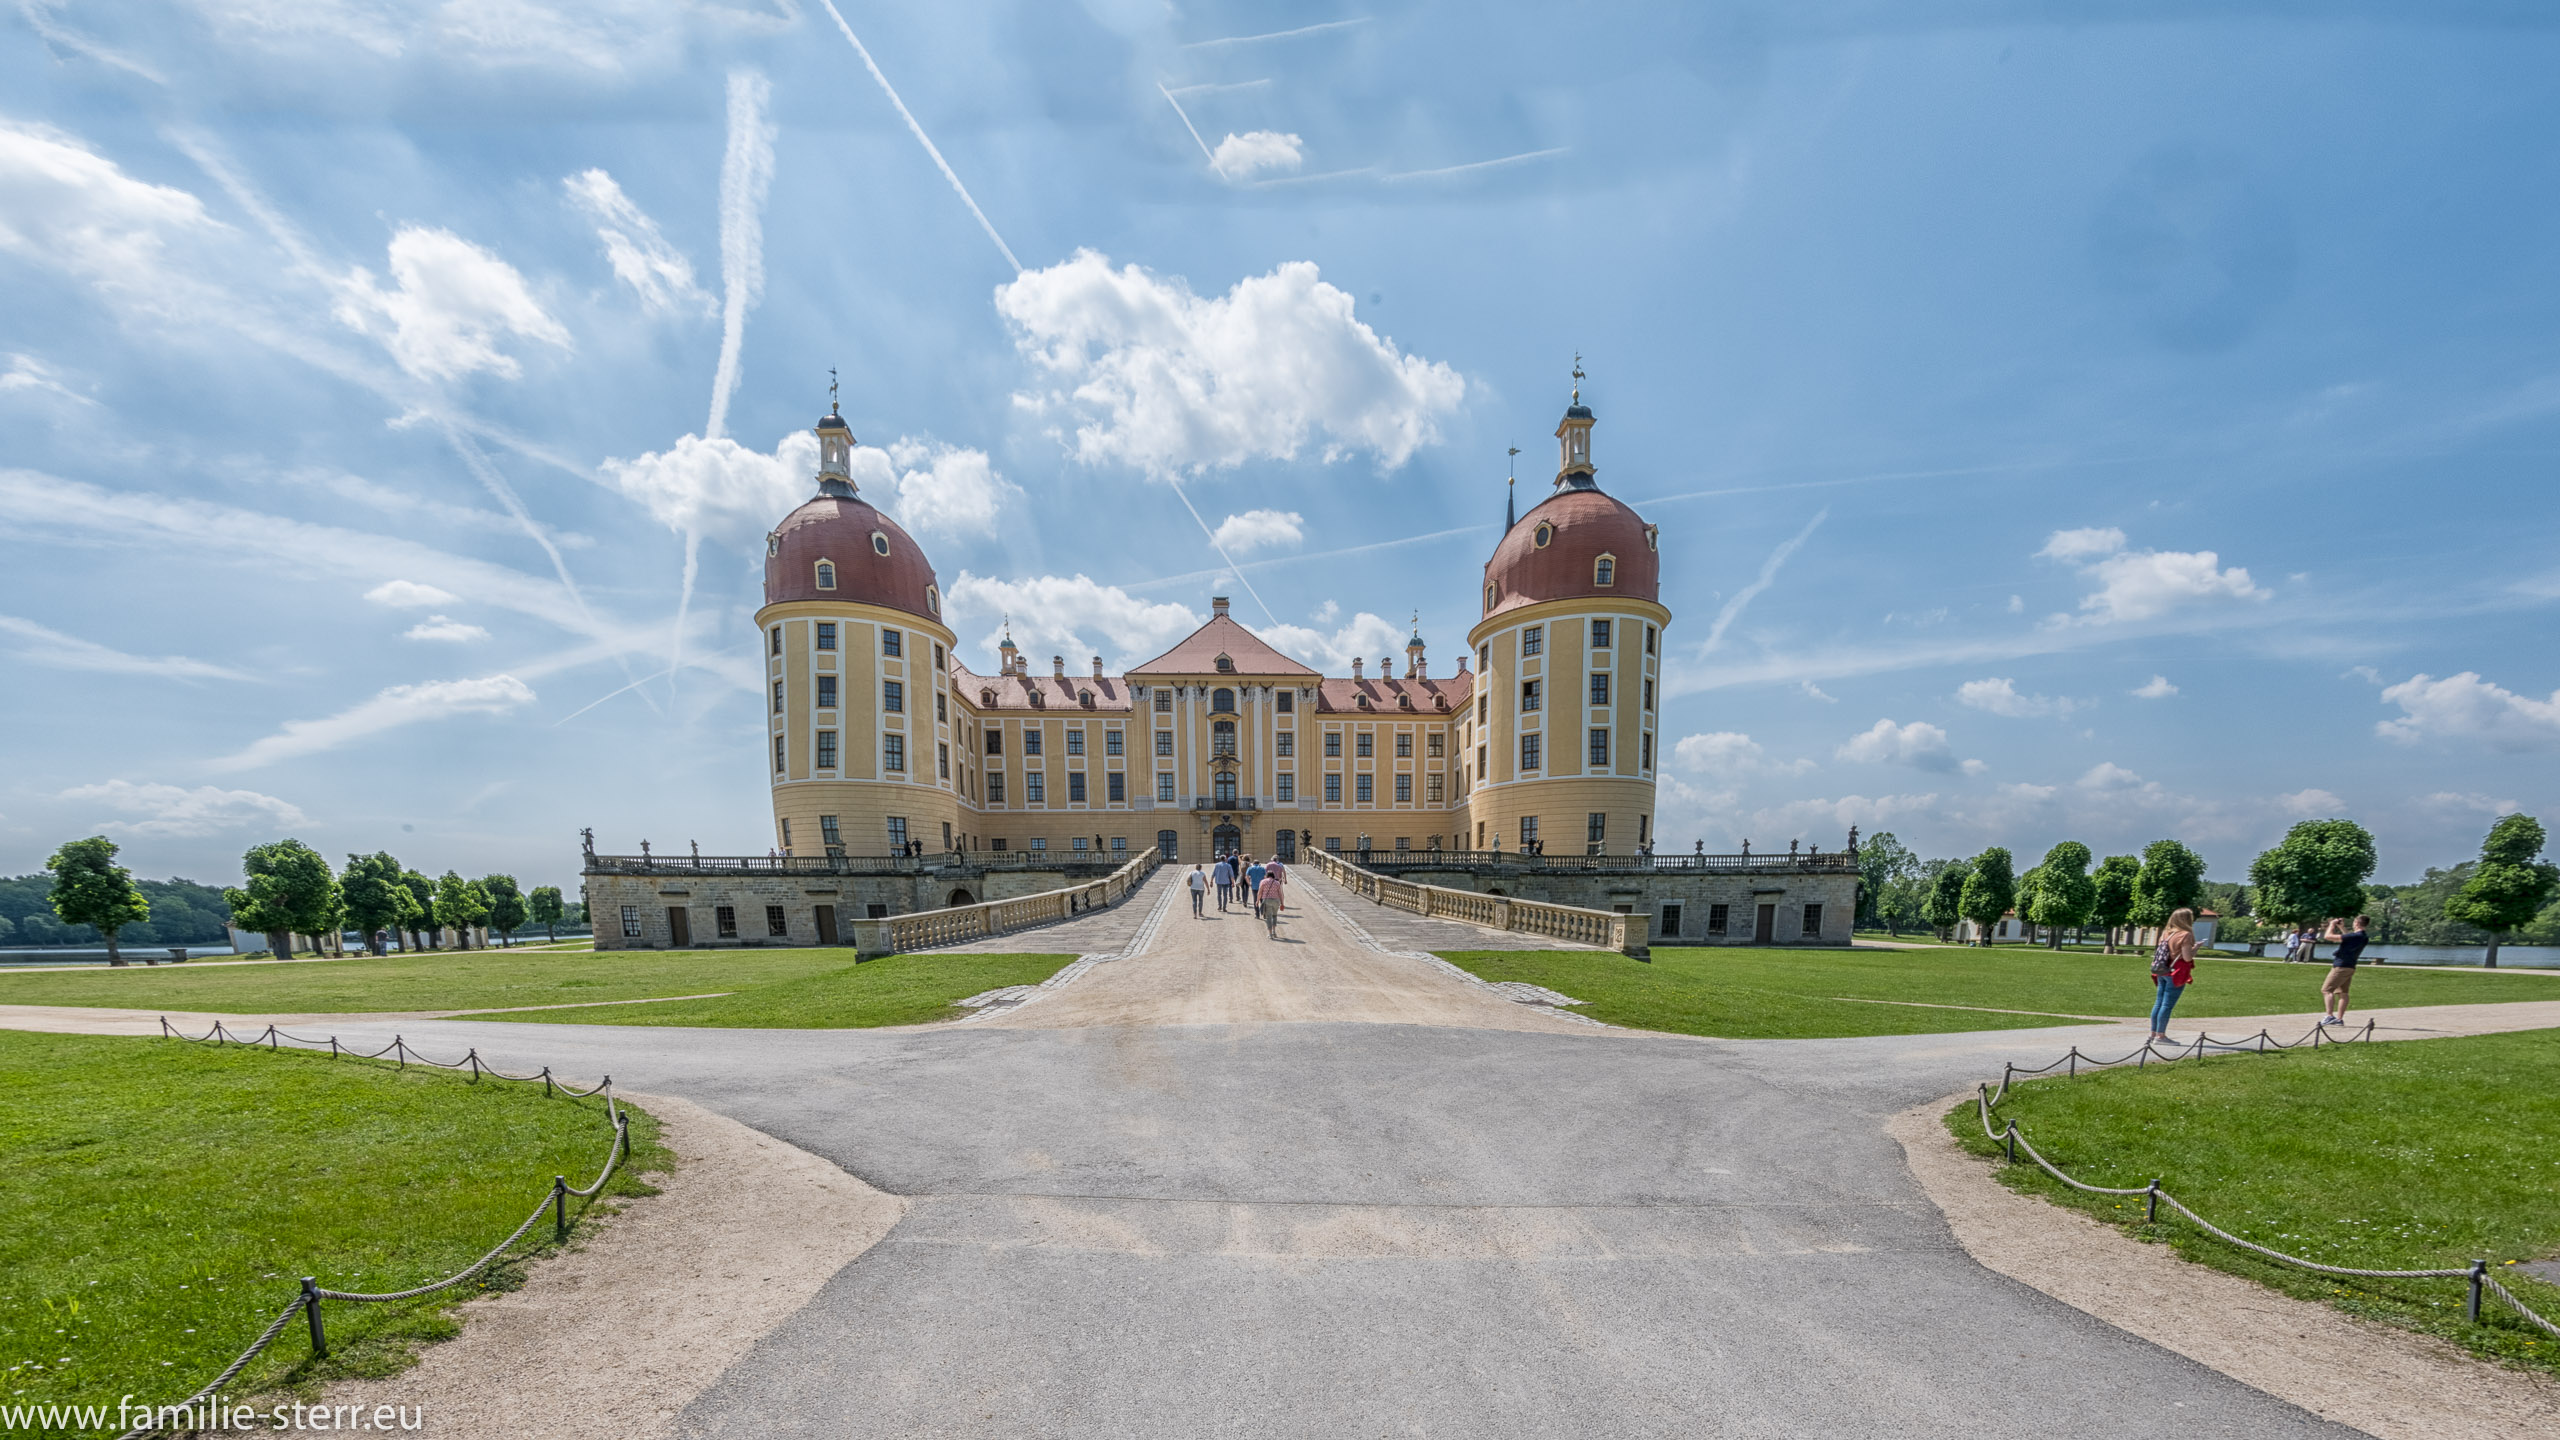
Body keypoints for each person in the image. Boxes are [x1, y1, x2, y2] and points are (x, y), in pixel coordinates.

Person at [2148, 907, 2198, 1044]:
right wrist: (2195, 949)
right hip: (2176, 972)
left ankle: (2153, 1033)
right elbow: (2187, 958)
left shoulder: (2165, 933)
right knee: (2167, 1005)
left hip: (2162, 970)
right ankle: (2160, 1036)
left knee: (2158, 1003)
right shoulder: (2185, 935)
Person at [2322, 915, 2369, 1024]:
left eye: (2354, 922)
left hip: (2341, 966)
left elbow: (2328, 936)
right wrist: (2341, 927)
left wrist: (2331, 925)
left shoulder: (2354, 936)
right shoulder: (2363, 936)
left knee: (2327, 990)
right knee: (2343, 992)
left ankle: (2329, 1016)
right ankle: (2339, 1019)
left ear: (2357, 923)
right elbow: (2348, 937)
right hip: (2350, 966)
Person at [1258, 868, 1284, 939]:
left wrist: (1257, 901)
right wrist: (1282, 903)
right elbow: (1280, 894)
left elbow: (1260, 892)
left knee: (1268, 917)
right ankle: (1274, 932)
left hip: (1267, 900)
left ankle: (1270, 934)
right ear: (1273, 876)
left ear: (1267, 875)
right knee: (1274, 915)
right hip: (1276, 901)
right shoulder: (1277, 883)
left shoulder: (1263, 882)